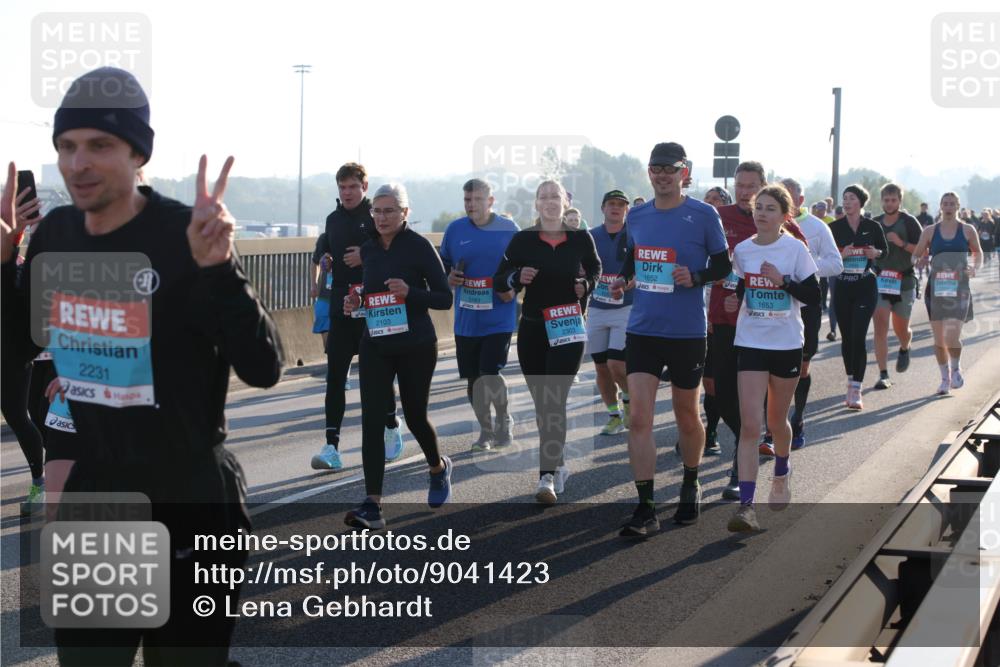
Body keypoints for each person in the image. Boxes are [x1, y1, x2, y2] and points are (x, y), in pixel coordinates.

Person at [1, 67, 284, 665]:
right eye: (66, 146)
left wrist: (221, 269)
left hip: (189, 496)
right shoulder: (56, 235)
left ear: (137, 153)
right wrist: (4, 265)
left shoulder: (184, 234)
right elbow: (17, 350)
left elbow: (264, 367)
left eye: (99, 145)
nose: (78, 163)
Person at [613, 142, 730, 537]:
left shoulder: (702, 214)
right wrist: (623, 279)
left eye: (669, 168)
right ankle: (645, 507)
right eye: (655, 168)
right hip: (643, 328)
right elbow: (634, 256)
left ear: (684, 172)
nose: (662, 175)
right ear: (649, 172)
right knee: (640, 418)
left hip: (686, 331)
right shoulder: (639, 214)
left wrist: (695, 277)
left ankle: (690, 481)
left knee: (686, 414)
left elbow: (724, 263)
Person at [343, 183, 454, 529]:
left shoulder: (419, 247)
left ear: (405, 213)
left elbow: (444, 298)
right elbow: (370, 291)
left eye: (389, 210)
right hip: (375, 343)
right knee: (372, 420)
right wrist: (356, 303)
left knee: (416, 415)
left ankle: (437, 468)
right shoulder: (369, 249)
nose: (381, 217)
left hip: (416, 345)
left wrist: (411, 292)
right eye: (376, 210)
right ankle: (372, 504)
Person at [494, 179, 600, 504]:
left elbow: (595, 269)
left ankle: (546, 476)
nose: (551, 202)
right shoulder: (523, 239)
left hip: (568, 326)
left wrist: (586, 284)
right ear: (537, 204)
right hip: (533, 328)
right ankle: (558, 459)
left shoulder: (581, 238)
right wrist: (516, 277)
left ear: (565, 202)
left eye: (556, 196)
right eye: (544, 197)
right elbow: (500, 277)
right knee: (543, 403)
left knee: (553, 399)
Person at [725, 185, 820, 532]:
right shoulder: (743, 251)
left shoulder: (795, 250)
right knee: (751, 425)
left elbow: (813, 296)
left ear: (784, 216)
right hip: (750, 341)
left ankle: (782, 469)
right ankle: (746, 507)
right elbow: (743, 285)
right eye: (758, 208)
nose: (762, 214)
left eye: (770, 209)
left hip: (786, 345)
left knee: (776, 421)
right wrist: (738, 299)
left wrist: (783, 283)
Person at [312, 163, 403, 471]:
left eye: (352, 187)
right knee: (335, 377)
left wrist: (366, 255)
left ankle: (391, 426)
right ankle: (331, 447)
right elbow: (327, 252)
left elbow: (394, 251)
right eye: (342, 187)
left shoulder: (376, 217)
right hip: (341, 308)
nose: (347, 193)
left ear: (364, 187)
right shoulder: (332, 220)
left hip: (373, 309)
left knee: (376, 376)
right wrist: (325, 261)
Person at [439, 178, 519, 451]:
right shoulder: (455, 229)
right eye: (466, 201)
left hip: (499, 315)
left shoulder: (509, 229)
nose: (471, 205)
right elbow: (442, 264)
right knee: (474, 379)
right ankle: (485, 430)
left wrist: (513, 286)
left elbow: (525, 266)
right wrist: (449, 275)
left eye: (476, 200)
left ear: (491, 201)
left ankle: (503, 419)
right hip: (466, 318)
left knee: (490, 371)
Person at [706, 161, 767, 499]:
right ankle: (750, 438)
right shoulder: (718, 216)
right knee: (722, 392)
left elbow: (805, 268)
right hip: (724, 322)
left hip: (764, 324)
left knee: (752, 396)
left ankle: (739, 465)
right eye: (740, 185)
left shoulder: (776, 217)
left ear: (763, 185)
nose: (745, 192)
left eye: (752, 185)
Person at [780, 178, 843, 449]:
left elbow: (835, 263)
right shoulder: (765, 224)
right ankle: (775, 425)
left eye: (790, 197)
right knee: (774, 366)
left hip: (807, 305)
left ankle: (799, 416)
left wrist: (805, 265)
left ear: (801, 201)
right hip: (774, 307)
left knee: (802, 367)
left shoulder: (816, 227)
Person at [912, 192, 983, 395]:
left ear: (958, 206)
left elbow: (978, 252)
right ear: (940, 206)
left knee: (952, 336)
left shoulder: (967, 230)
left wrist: (974, 267)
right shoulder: (930, 231)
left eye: (952, 204)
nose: (949, 207)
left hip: (959, 288)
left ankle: (956, 367)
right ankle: (944, 379)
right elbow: (916, 254)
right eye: (945, 203)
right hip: (936, 288)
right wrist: (919, 260)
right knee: (939, 339)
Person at [829, 184, 888, 409]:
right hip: (843, 286)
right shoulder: (835, 227)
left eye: (851, 198)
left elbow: (884, 251)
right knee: (847, 339)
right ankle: (850, 377)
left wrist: (876, 253)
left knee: (858, 336)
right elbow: (826, 254)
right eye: (844, 198)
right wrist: (840, 255)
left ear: (861, 202)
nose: (846, 202)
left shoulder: (872, 226)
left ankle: (856, 388)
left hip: (865, 284)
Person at [586, 190, 633, 436]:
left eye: (620, 205)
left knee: (617, 364)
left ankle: (628, 399)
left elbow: (643, 266)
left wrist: (629, 281)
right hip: (597, 308)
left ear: (626, 210)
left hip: (626, 306)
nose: (616, 208)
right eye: (611, 204)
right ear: (603, 208)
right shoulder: (591, 236)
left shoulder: (634, 235)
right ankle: (614, 415)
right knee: (601, 367)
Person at [871, 183, 923, 390]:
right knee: (880, 325)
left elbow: (921, 252)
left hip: (905, 281)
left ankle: (904, 345)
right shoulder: (874, 223)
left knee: (901, 327)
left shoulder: (909, 222)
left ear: (899, 201)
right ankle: (883, 374)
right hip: (881, 280)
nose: (889, 204)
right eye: (886, 200)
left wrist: (900, 242)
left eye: (893, 200)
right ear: (881, 201)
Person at [311, 232, 332, 351]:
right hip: (324, 298)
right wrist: (313, 285)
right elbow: (314, 263)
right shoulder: (324, 239)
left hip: (346, 297)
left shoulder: (353, 237)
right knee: (327, 339)